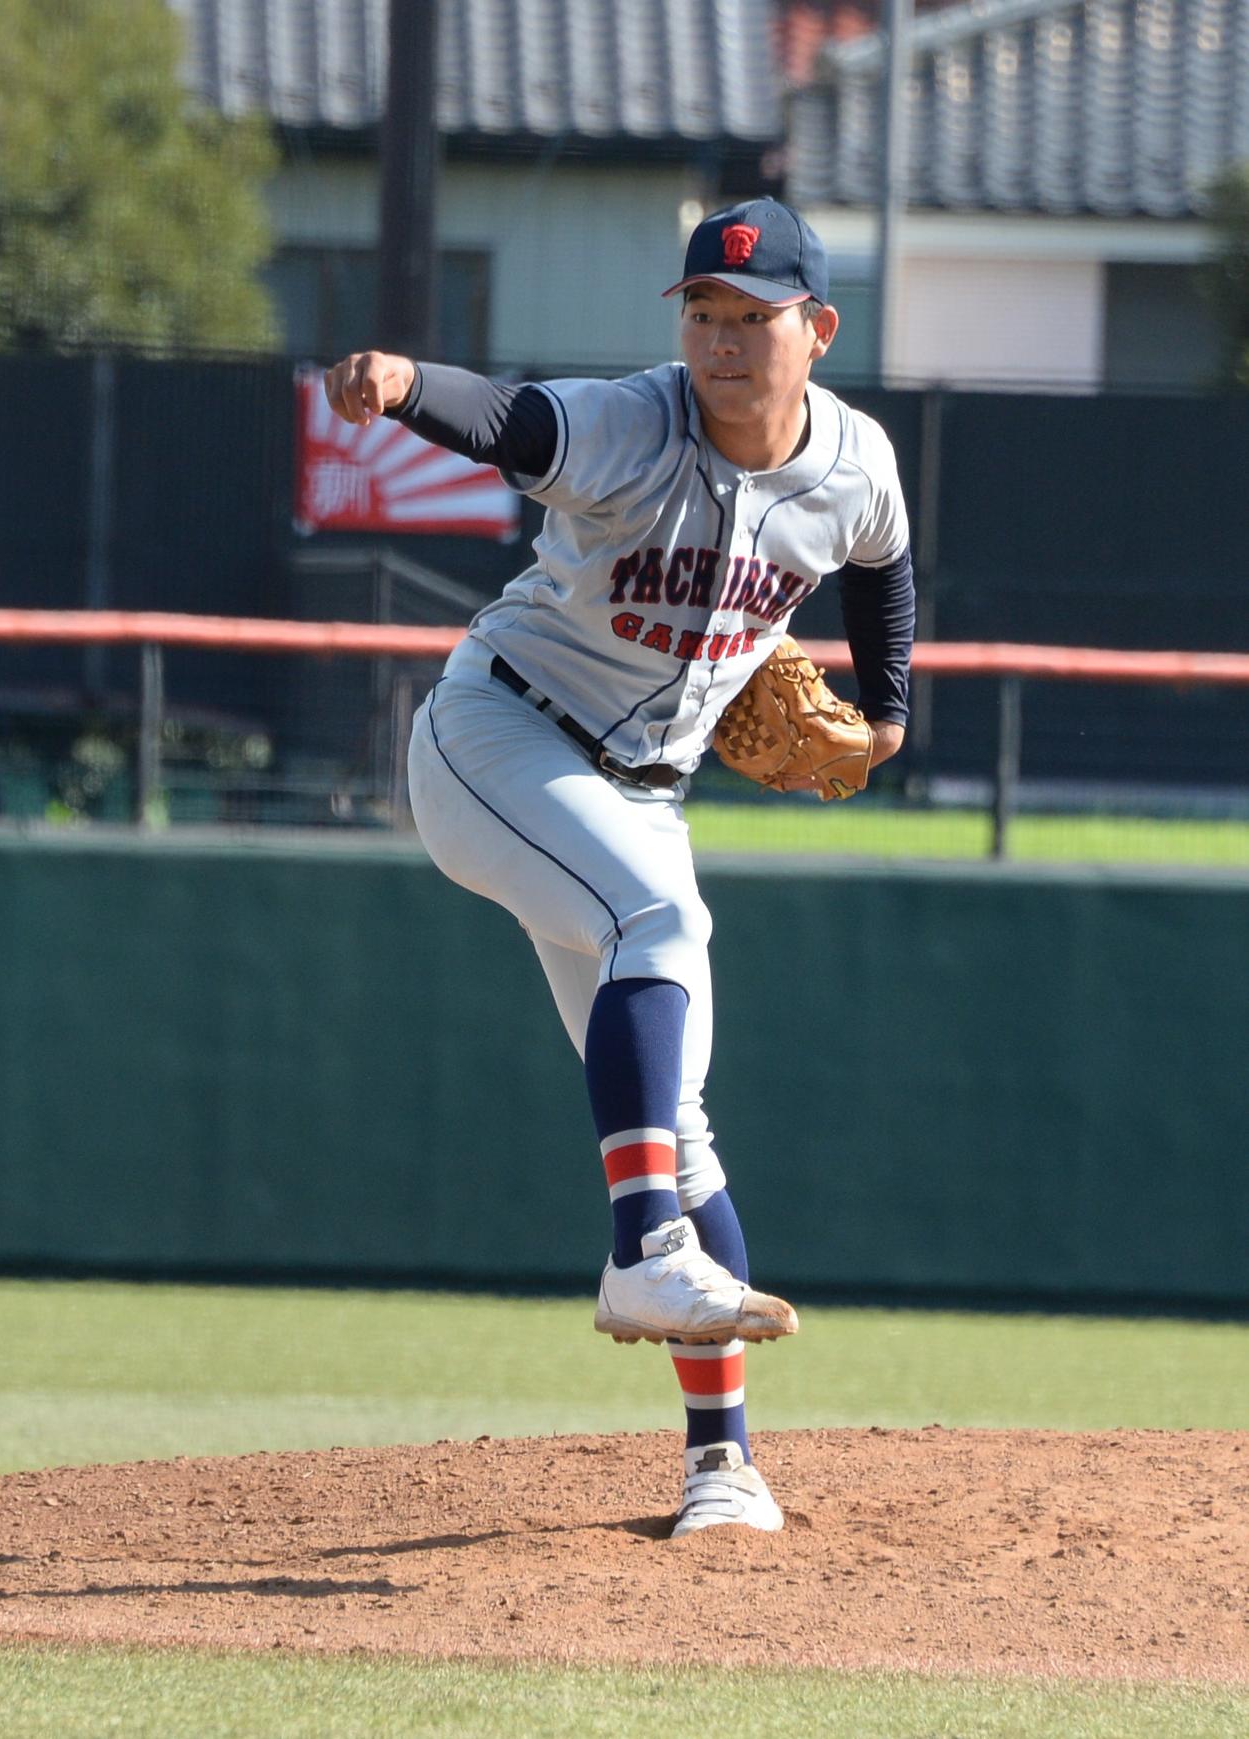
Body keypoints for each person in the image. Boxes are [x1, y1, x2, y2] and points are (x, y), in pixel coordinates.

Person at [323, 198, 914, 1535]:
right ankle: (644, 1256)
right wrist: (409, 383)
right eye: (701, 314)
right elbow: (513, 422)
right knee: (663, 924)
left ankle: (723, 1466)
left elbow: (884, 563)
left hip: (643, 792)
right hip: (498, 736)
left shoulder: (856, 464)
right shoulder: (636, 423)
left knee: (682, 1128)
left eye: (751, 321)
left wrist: (886, 710)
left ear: (815, 332)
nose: (719, 341)